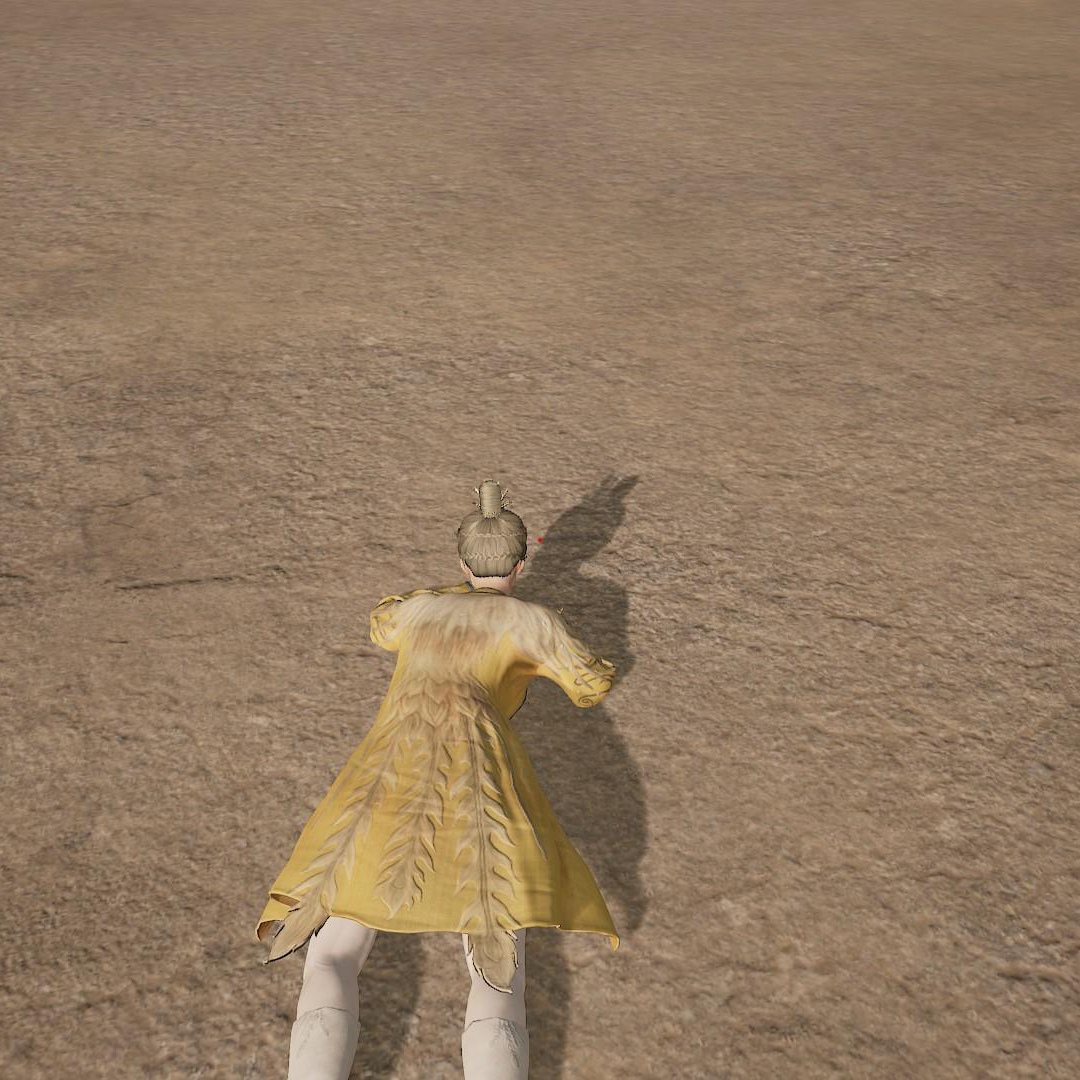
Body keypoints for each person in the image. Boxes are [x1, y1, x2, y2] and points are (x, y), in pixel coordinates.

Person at [255, 479, 620, 1079]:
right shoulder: (531, 621)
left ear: (462, 562)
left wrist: (451, 595)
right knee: (497, 970)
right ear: (520, 565)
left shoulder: (420, 609)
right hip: (483, 781)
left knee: (332, 953)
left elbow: (383, 621)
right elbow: (590, 685)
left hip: (386, 778)